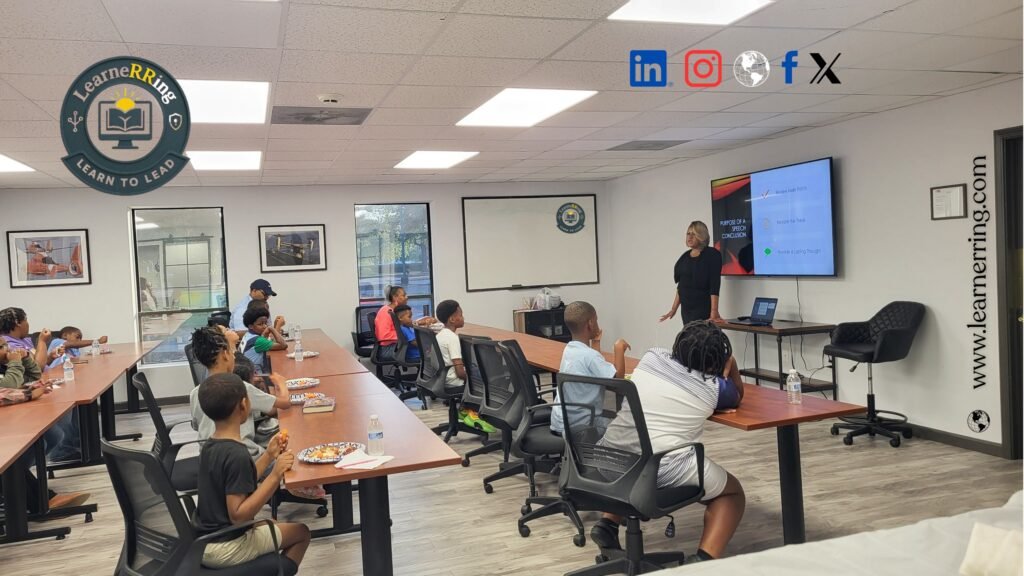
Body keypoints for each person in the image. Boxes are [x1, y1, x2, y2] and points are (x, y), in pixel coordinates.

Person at [588, 321, 746, 564]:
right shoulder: (714, 389)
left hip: (609, 458)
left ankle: (607, 525)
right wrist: (731, 363)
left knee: (635, 446)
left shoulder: (652, 357)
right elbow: (737, 394)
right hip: (659, 472)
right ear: (715, 362)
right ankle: (702, 561)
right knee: (732, 493)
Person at [194, 372, 310, 571]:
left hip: (205, 540)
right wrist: (275, 475)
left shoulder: (210, 446)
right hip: (227, 547)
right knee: (301, 532)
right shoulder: (237, 454)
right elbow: (238, 516)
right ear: (244, 405)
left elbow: (238, 483)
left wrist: (269, 456)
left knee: (271, 523)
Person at [0, 340, 89, 510]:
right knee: (9, 459)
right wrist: (28, 392)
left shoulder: (5, 365)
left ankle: (38, 499)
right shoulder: (11, 364)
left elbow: (33, 376)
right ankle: (40, 502)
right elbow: (7, 387)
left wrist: (25, 359)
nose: (8, 349)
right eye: (2, 347)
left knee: (51, 437)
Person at [189, 326, 290, 457]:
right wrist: (281, 384)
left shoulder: (194, 393)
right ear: (225, 354)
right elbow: (284, 404)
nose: (234, 357)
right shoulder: (239, 387)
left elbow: (196, 426)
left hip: (208, 458)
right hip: (246, 456)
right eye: (232, 352)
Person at [549, 301, 630, 435]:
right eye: (596, 320)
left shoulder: (570, 349)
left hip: (562, 423)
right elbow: (618, 380)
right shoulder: (590, 356)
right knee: (625, 430)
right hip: (582, 428)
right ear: (590, 324)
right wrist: (619, 348)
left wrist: (596, 342)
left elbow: (592, 367)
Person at [660, 221, 724, 325]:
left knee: (704, 335)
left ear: (702, 236)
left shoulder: (712, 254)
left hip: (703, 310)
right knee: (689, 335)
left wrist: (714, 312)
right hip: (686, 312)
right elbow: (681, 286)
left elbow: (715, 284)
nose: (690, 237)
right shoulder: (684, 257)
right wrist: (673, 309)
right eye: (688, 233)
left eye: (694, 234)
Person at [374, 286, 433, 361]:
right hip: (389, 349)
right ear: (395, 297)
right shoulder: (386, 312)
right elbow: (384, 336)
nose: (407, 297)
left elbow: (405, 324)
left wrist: (419, 322)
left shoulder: (396, 311)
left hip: (397, 346)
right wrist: (405, 336)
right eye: (404, 295)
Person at [0, 307, 63, 373]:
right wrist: (42, 341)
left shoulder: (24, 339)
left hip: (48, 376)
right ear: (18, 323)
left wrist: (50, 357)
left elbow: (39, 363)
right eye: (26, 320)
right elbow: (37, 369)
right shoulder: (7, 344)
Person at [240, 308, 287, 375]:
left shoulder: (248, 335)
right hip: (257, 375)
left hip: (248, 373)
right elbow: (283, 345)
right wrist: (273, 328)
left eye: (265, 323)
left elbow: (267, 342)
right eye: (260, 324)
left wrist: (265, 334)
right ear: (250, 326)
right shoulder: (258, 341)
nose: (265, 326)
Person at [434, 300, 465, 388]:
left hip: (442, 378)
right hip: (454, 381)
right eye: (461, 315)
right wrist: (472, 381)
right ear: (452, 319)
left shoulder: (440, 334)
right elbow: (460, 373)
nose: (463, 318)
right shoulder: (452, 338)